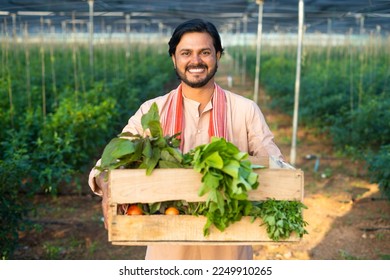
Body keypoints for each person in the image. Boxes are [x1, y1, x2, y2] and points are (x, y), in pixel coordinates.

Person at [88, 18, 283, 260]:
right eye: (186, 53)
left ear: (218, 56)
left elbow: (273, 161)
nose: (196, 61)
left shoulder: (245, 110)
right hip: (167, 251)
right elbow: (110, 160)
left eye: (205, 52)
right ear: (174, 58)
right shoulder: (153, 110)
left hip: (229, 249)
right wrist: (108, 188)